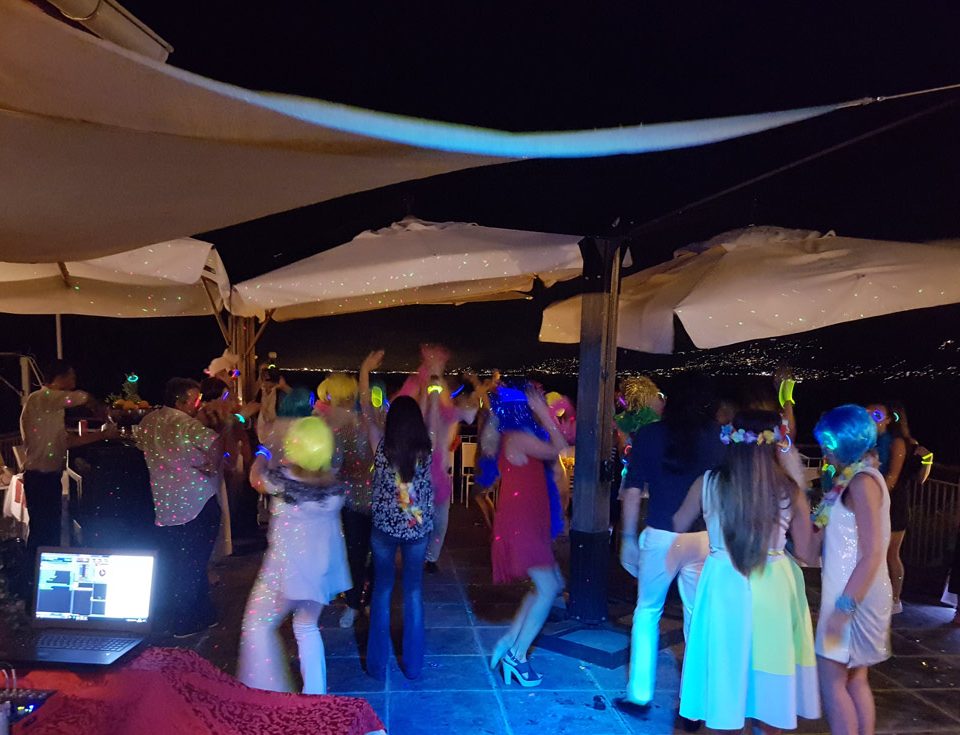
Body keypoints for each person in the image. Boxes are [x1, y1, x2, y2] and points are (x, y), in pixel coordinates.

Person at [673, 411, 821, 732]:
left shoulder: (707, 482)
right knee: (770, 675)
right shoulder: (790, 490)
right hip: (773, 585)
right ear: (775, 442)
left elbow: (679, 522)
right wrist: (823, 522)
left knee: (726, 672)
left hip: (724, 584)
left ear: (732, 439)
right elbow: (808, 554)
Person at [615, 380, 725, 715]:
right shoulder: (719, 437)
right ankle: (695, 702)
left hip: (662, 536)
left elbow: (633, 489)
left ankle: (639, 694)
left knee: (648, 611)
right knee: (696, 616)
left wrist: (627, 538)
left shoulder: (651, 435)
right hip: (704, 537)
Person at [237, 415, 349, 695]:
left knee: (257, 625)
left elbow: (255, 479)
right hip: (318, 575)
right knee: (307, 627)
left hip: (284, 574)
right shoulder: (335, 488)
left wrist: (263, 453)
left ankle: (266, 694)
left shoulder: (281, 481)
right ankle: (316, 696)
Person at [813, 404, 891, 735]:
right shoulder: (853, 479)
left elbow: (873, 552)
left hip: (852, 595)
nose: (825, 452)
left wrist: (843, 609)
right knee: (856, 678)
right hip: (855, 591)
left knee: (833, 680)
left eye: (829, 445)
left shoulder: (861, 482)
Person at [484, 384, 568, 687]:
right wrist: (545, 414)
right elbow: (560, 447)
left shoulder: (514, 436)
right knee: (548, 587)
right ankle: (516, 655)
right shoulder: (517, 437)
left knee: (548, 584)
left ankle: (511, 641)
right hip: (522, 523)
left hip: (527, 520)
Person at [137, 378, 224, 637]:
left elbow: (140, 444)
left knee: (177, 561)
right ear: (181, 401)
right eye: (195, 400)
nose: (198, 405)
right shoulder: (186, 424)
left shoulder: (149, 421)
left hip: (165, 503)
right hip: (197, 501)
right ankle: (184, 621)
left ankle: (202, 613)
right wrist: (212, 464)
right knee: (193, 562)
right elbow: (215, 441)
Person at [366, 392, 436, 680]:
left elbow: (367, 413)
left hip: (384, 528)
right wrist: (430, 391)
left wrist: (365, 374)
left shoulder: (381, 446)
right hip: (416, 529)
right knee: (414, 592)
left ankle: (376, 665)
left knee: (381, 591)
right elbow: (429, 418)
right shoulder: (426, 450)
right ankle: (414, 665)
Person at [19, 360, 117, 559]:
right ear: (59, 377)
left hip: (46, 476)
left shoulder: (52, 407)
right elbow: (81, 397)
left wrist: (103, 435)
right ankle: (33, 573)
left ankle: (36, 571)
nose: (74, 380)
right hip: (40, 477)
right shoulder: (41, 398)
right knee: (43, 532)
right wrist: (100, 408)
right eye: (71, 376)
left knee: (48, 531)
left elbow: (66, 442)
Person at [397, 344, 477, 573]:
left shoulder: (445, 412)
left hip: (434, 472)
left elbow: (465, 414)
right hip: (417, 471)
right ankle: (421, 554)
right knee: (419, 515)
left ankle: (428, 556)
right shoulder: (417, 405)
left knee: (436, 517)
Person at [316, 360, 377, 629]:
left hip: (351, 498)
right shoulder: (368, 420)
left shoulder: (339, 427)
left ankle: (353, 604)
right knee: (374, 553)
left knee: (354, 553)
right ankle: (369, 601)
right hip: (375, 495)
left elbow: (334, 464)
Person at [868, 403, 930, 615]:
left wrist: (871, 497)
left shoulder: (898, 442)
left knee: (891, 553)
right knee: (875, 552)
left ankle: (895, 598)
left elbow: (893, 478)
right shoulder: (872, 441)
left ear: (890, 419)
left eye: (877, 415)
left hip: (893, 503)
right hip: (876, 500)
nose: (871, 418)